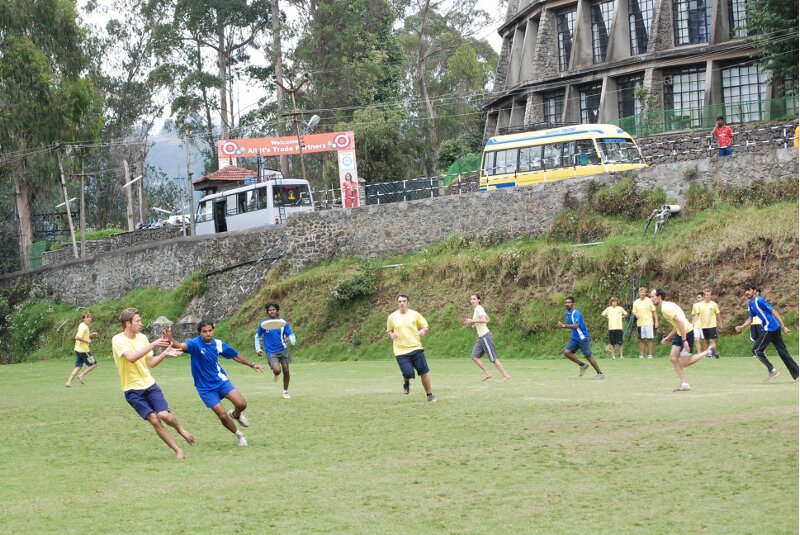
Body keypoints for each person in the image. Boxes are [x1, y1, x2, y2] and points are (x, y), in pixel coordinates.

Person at [110, 308, 195, 459]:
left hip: (150, 385)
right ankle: (178, 450)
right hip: (132, 390)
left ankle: (181, 430)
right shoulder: (118, 340)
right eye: (138, 321)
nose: (141, 323)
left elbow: (151, 363)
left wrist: (164, 353)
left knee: (164, 415)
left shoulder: (142, 337)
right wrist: (153, 345)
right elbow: (131, 357)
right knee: (155, 420)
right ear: (127, 323)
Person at [170, 320, 264, 447]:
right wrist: (170, 339)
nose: (207, 334)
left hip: (221, 381)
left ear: (213, 330)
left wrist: (252, 365)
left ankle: (236, 414)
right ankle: (240, 435)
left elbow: (235, 356)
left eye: (209, 331)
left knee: (241, 404)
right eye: (204, 331)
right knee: (223, 415)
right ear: (200, 333)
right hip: (205, 388)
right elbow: (179, 346)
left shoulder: (218, 344)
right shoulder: (195, 344)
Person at [650, 289, 718, 392]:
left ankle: (708, 351)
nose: (651, 299)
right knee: (673, 358)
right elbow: (678, 324)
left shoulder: (665, 309)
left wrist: (685, 340)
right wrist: (669, 337)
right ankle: (684, 384)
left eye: (653, 297)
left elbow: (681, 323)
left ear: (659, 296)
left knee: (684, 363)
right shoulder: (669, 305)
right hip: (680, 332)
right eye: (651, 297)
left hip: (686, 332)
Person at [735, 283, 798, 382]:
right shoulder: (750, 304)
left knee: (756, 350)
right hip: (773, 328)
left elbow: (774, 311)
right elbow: (751, 319)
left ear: (754, 291)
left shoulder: (759, 300)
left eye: (749, 290)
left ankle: (772, 370)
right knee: (783, 352)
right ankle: (798, 375)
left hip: (770, 329)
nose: (747, 292)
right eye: (746, 290)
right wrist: (742, 326)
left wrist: (784, 326)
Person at [387, 294, 437, 401]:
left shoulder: (415, 314)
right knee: (408, 373)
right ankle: (406, 382)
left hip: (416, 348)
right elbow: (389, 330)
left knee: (423, 372)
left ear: (408, 303)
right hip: (401, 351)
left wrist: (423, 331)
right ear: (397, 303)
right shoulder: (392, 317)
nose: (402, 303)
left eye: (404, 301)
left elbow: (425, 326)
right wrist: (392, 335)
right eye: (400, 301)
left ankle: (429, 395)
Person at [462, 293, 510, 381]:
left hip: (485, 336)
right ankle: (487, 373)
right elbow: (488, 319)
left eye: (474, 299)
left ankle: (505, 375)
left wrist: (472, 321)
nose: (472, 300)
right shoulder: (477, 309)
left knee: (493, 358)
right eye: (471, 299)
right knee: (474, 356)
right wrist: (476, 325)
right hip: (481, 337)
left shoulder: (479, 308)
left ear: (478, 300)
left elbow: (484, 320)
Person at [255, 303, 296, 399]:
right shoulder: (264, 324)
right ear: (267, 312)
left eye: (273, 309)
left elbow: (291, 335)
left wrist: (291, 340)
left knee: (286, 370)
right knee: (277, 370)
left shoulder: (283, 323)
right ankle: (275, 373)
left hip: (283, 349)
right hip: (271, 352)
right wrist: (258, 349)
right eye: (269, 310)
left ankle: (285, 392)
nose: (271, 311)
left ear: (277, 311)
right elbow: (258, 336)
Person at [558, 296, 604, 380]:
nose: (567, 304)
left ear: (573, 304)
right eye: (566, 302)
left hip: (583, 338)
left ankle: (600, 373)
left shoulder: (576, 313)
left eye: (569, 302)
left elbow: (576, 325)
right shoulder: (567, 312)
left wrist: (563, 325)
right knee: (567, 352)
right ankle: (582, 365)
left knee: (588, 356)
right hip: (575, 338)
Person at [65, 311, 99, 387]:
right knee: (94, 364)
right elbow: (77, 337)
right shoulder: (84, 327)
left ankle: (68, 382)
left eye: (90, 317)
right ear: (83, 319)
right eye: (87, 317)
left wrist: (91, 334)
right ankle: (81, 375)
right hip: (84, 351)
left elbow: (82, 335)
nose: (89, 319)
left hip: (78, 350)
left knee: (78, 366)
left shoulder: (81, 325)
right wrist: (87, 340)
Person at [632, 287, 659, 359]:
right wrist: (636, 314)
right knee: (642, 339)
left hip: (649, 322)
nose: (642, 293)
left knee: (650, 338)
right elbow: (634, 311)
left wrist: (656, 322)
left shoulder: (650, 301)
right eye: (641, 292)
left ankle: (650, 354)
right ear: (639, 293)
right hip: (640, 323)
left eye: (643, 292)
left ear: (645, 293)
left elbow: (654, 312)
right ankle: (642, 355)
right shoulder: (635, 302)